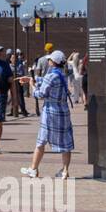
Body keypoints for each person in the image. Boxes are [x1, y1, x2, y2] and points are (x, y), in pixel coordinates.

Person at [19, 50, 73, 179]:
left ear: (52, 62)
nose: (48, 61)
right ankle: (65, 170)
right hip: (63, 111)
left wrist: (32, 85)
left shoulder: (51, 76)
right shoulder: (62, 74)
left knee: (41, 140)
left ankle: (33, 169)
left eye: (49, 59)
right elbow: (48, 80)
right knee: (65, 141)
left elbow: (40, 94)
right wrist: (32, 78)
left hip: (50, 111)